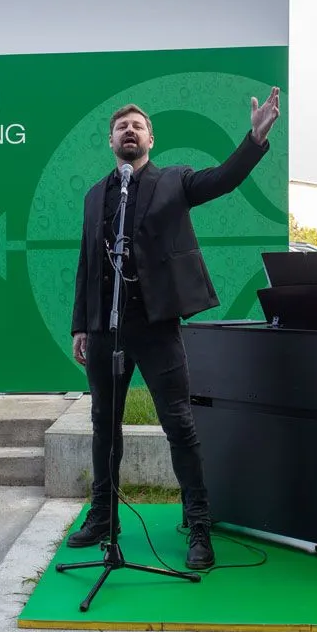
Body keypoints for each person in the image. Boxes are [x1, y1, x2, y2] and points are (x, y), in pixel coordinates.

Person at [68, 88, 282, 570]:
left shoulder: (175, 180)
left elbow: (223, 179)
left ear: (151, 139)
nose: (129, 131)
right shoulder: (95, 194)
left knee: (179, 424)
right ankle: (103, 516)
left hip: (157, 325)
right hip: (105, 329)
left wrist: (254, 139)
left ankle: (199, 524)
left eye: (137, 126)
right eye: (121, 127)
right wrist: (81, 325)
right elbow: (86, 261)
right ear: (110, 141)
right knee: (104, 425)